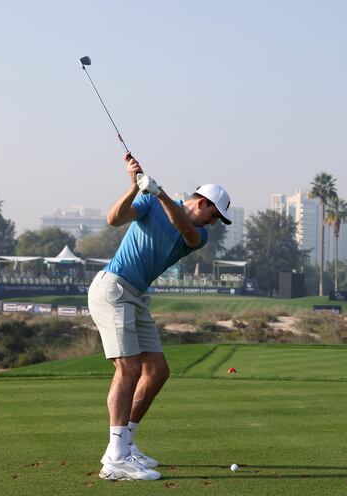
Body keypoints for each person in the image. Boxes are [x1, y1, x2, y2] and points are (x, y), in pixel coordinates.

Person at [87, 152, 232, 481]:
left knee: (157, 371)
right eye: (215, 215)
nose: (214, 224)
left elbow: (186, 230)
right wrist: (133, 186)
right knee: (129, 368)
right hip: (113, 289)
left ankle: (125, 443)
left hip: (135, 297)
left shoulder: (198, 234)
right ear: (203, 203)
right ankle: (116, 458)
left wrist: (159, 191)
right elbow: (114, 219)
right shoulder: (150, 204)